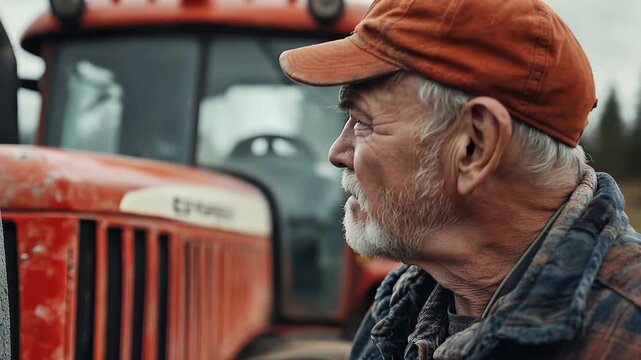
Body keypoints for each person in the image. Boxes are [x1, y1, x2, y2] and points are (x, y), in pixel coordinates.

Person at [279, 0, 641, 359]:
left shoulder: (627, 334)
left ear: (474, 146)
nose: (337, 153)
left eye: (363, 122)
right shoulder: (399, 303)